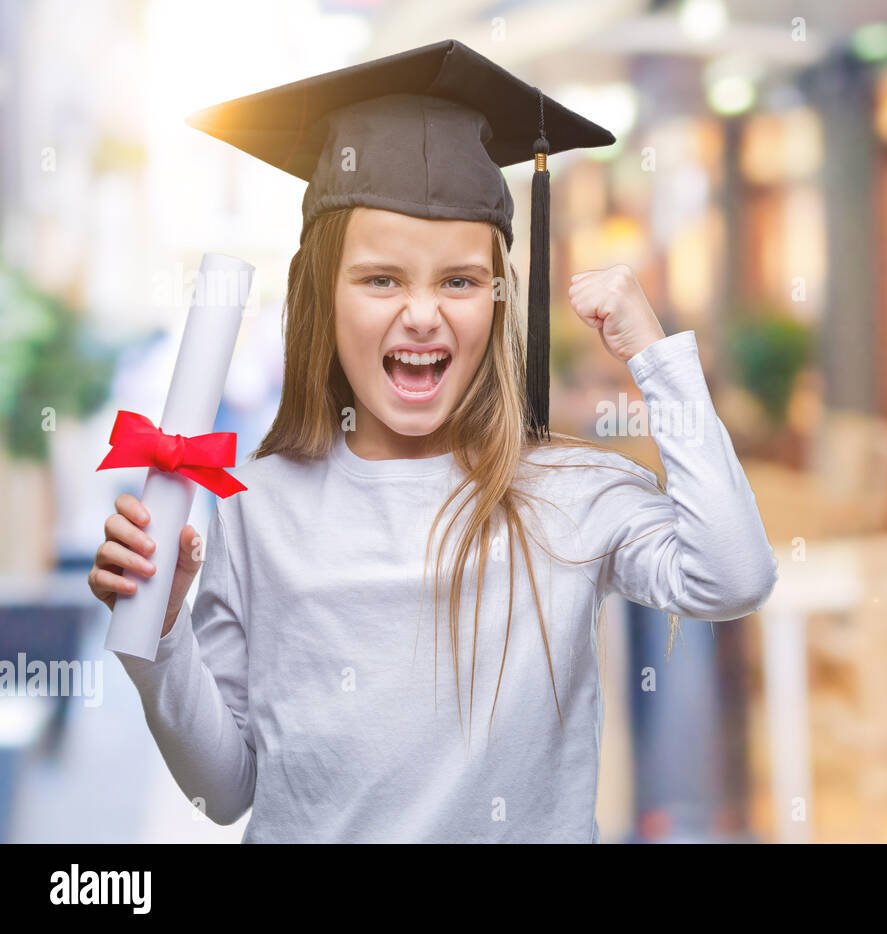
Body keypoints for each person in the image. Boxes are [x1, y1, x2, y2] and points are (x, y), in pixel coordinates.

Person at [87, 40, 777, 843]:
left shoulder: (566, 493)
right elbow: (225, 790)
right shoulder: (252, 504)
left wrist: (659, 362)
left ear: (497, 297)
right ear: (323, 297)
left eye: (458, 280)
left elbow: (733, 575)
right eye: (382, 279)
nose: (423, 313)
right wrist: (162, 635)